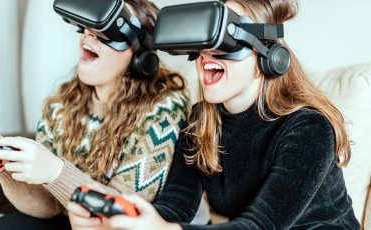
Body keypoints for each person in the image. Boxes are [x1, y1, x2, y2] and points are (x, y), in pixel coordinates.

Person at [70, 0, 360, 229]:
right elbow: (177, 206)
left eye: (226, 43)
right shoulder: (202, 121)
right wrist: (126, 219)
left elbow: (260, 225)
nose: (207, 55)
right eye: (205, 42)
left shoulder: (309, 127)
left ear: (269, 57)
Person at [0, 0, 210, 229]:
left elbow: (120, 215)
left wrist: (56, 171)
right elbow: (48, 208)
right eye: (89, 27)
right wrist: (6, 170)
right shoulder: (61, 102)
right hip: (76, 216)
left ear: (140, 56)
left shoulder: (164, 109)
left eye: (108, 33)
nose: (89, 36)